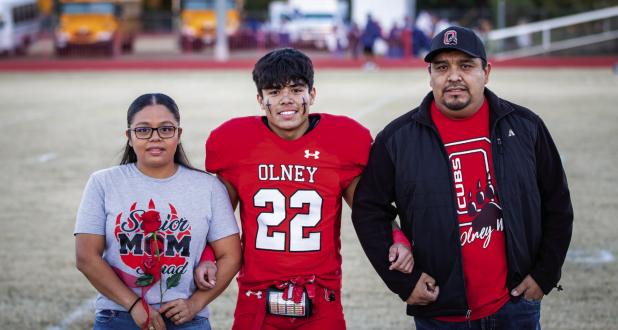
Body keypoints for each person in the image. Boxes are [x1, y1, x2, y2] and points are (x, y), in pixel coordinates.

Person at [352, 26, 573, 329]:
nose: (453, 76)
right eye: (442, 67)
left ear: (487, 72)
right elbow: (368, 208)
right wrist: (403, 282)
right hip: (441, 312)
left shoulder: (526, 127)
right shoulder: (397, 139)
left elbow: (557, 203)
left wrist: (545, 273)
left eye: (466, 65)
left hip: (515, 307)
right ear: (430, 74)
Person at [199, 47, 413, 329]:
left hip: (321, 298)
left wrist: (397, 236)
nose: (286, 99)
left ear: (311, 94)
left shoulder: (342, 141)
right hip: (256, 298)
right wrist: (206, 258)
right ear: (260, 99)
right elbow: (219, 218)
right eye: (274, 92)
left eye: (296, 89)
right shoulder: (235, 143)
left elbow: (367, 208)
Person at [74, 93, 242, 330]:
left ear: (178, 135)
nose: (155, 138)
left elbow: (231, 255)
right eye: (143, 130)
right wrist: (133, 305)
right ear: (129, 137)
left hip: (186, 318)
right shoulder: (103, 183)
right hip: (119, 316)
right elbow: (86, 257)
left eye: (165, 129)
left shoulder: (208, 187)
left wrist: (195, 304)